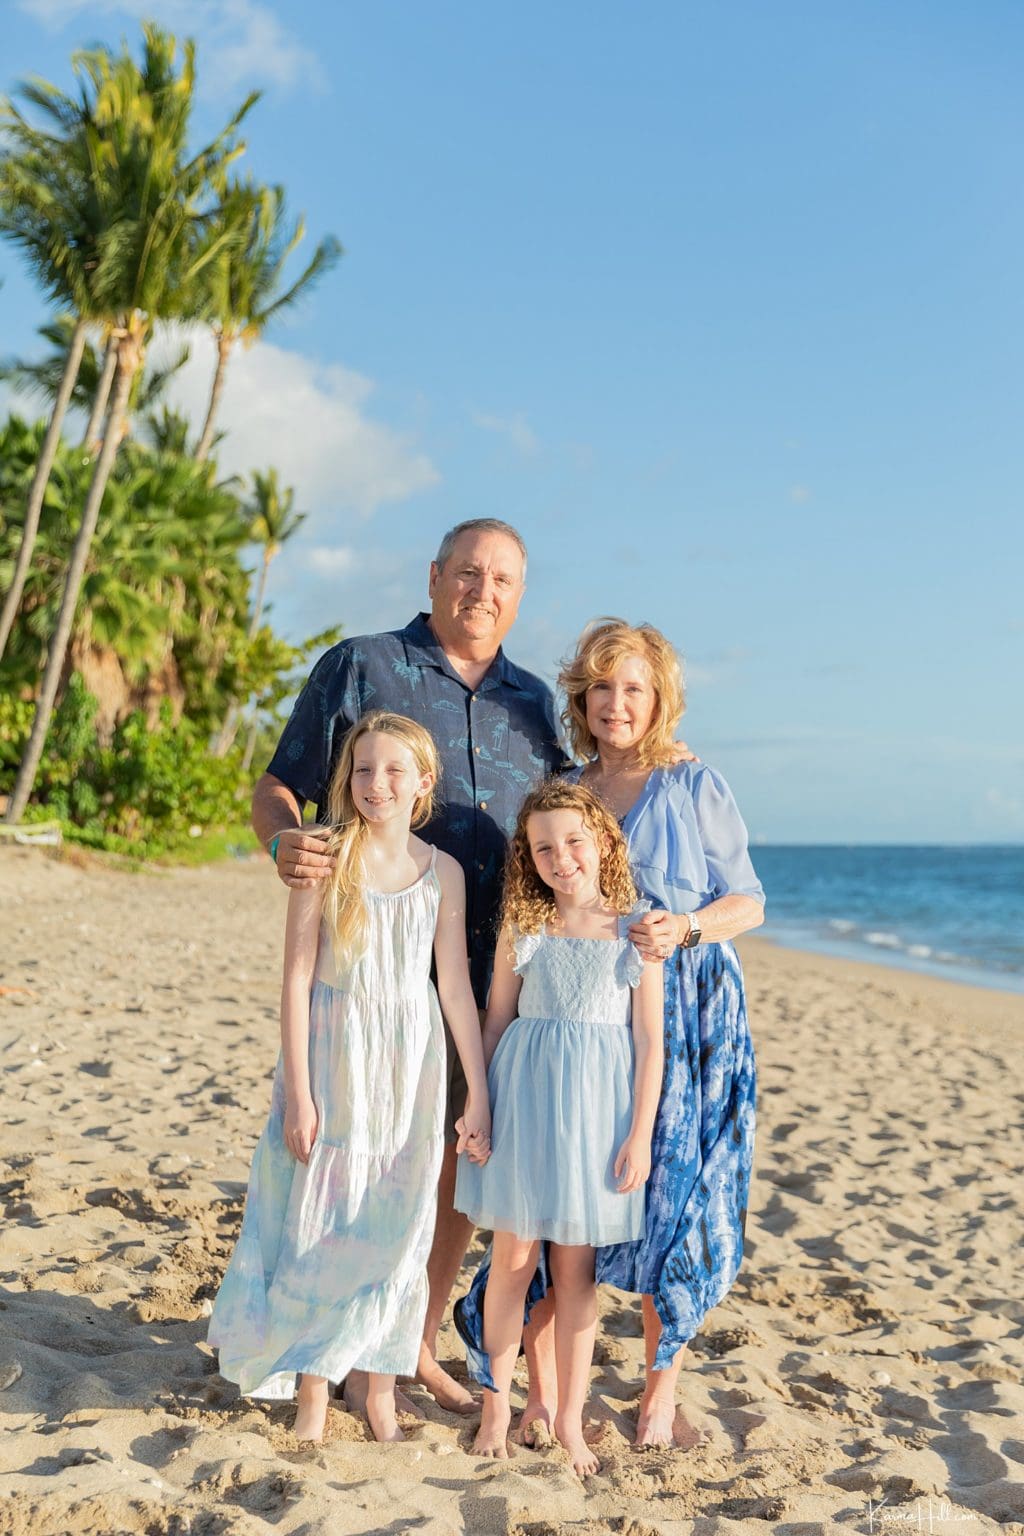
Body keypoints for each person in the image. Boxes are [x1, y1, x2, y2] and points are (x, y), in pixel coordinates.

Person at [251, 519, 565, 1413]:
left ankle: (408, 1344)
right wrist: (283, 842)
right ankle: (330, 1345)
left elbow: (572, 824)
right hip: (367, 972)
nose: (484, 589)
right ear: (434, 577)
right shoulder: (361, 665)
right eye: (468, 572)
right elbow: (280, 782)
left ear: (519, 594)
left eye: (503, 577)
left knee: (453, 1167)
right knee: (353, 1160)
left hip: (489, 980)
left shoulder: (537, 705)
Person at [457, 619, 764, 1451]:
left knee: (675, 1204)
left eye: (634, 688)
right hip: (584, 1015)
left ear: (658, 697)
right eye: (602, 688)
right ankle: (542, 1401)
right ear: (581, 700)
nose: (617, 703)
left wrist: (688, 929)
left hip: (687, 1010)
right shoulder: (572, 788)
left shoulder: (693, 779)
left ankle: (659, 1392)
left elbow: (751, 900)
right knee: (564, 1210)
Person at [210, 711, 491, 1445]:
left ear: (424, 782)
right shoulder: (324, 858)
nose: (377, 784)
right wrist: (299, 1093)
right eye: (363, 769)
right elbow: (297, 979)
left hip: (411, 1068)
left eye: (395, 770)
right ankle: (310, 1390)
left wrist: (480, 1091)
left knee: (399, 1228)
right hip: (337, 1061)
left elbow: (455, 989)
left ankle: (378, 1390)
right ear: (347, 780)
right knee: (324, 1221)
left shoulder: (444, 874)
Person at [454, 779, 663, 1476]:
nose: (561, 856)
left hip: (598, 1118)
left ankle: (570, 1422)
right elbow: (495, 1019)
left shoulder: (635, 930)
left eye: (573, 840)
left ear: (602, 839)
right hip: (525, 1102)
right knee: (511, 1264)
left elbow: (650, 1043)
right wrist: (478, 1104)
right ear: (528, 857)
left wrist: (638, 1134)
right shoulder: (527, 924)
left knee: (575, 1274)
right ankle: (496, 1406)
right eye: (544, 847)